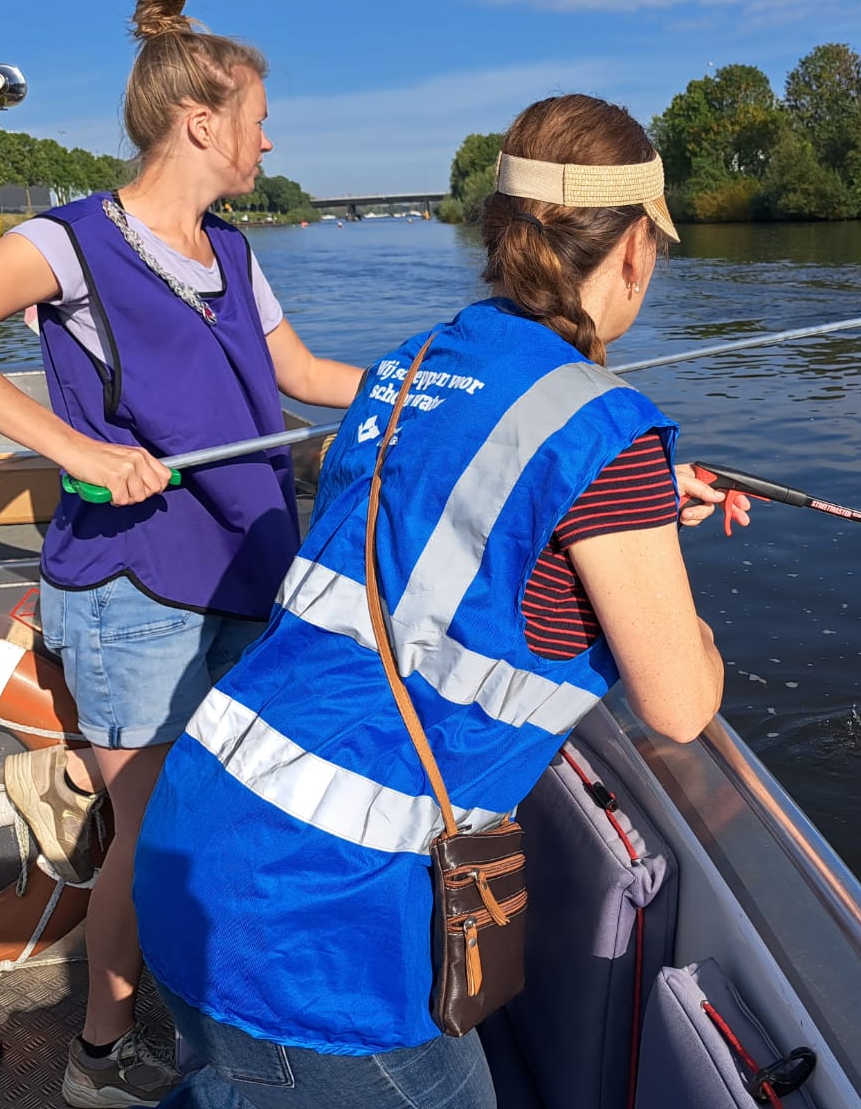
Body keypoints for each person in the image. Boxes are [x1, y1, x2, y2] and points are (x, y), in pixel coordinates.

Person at [131, 93, 748, 1109]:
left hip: (200, 834)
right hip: (320, 924)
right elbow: (680, 701)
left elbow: (438, 509)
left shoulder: (412, 363)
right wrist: (672, 596)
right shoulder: (608, 432)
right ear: (635, 247)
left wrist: (616, 524)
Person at [0, 0, 365, 1108]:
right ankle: (96, 1054)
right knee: (153, 832)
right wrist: (67, 448)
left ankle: (208, 1013)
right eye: (258, 118)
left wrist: (426, 388)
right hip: (138, 593)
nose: (268, 140)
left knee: (214, 817)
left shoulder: (231, 252)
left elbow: (303, 377)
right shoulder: (74, 242)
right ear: (201, 122)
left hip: (244, 570)